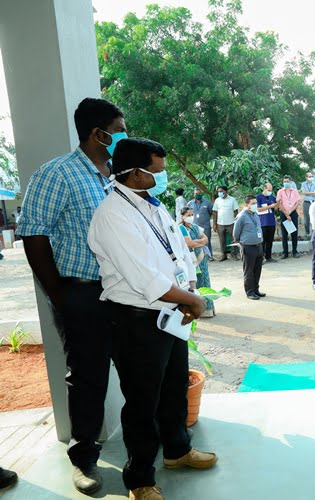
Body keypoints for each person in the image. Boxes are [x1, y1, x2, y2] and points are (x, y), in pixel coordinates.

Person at [88, 138, 217, 500]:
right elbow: (143, 277)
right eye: (156, 172)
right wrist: (191, 298)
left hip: (169, 312)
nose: (162, 177)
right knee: (143, 401)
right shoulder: (113, 214)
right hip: (136, 320)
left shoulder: (152, 205)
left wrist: (189, 288)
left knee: (174, 386)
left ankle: (177, 451)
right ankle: (140, 479)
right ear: (133, 173)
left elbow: (174, 252)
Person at [17, 97, 127, 494]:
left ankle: (145, 447)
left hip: (125, 293)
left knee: (134, 369)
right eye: (119, 128)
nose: (123, 134)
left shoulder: (115, 175)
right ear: (99, 133)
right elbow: (33, 232)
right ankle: (84, 460)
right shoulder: (58, 174)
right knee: (88, 379)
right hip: (81, 293)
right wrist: (59, 294)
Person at [178, 207, 215, 318]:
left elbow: (206, 239)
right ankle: (199, 311)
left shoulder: (194, 227)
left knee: (205, 281)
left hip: (201, 258)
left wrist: (197, 242)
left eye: (192, 214)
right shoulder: (181, 228)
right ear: (182, 216)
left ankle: (209, 309)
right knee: (195, 284)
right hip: (191, 261)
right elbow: (189, 244)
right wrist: (200, 242)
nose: (191, 217)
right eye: (188, 215)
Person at [234, 195, 266, 300]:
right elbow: (236, 232)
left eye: (255, 203)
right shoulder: (242, 216)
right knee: (249, 270)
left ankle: (256, 289)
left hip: (258, 245)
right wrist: (240, 242)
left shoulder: (256, 214)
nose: (255, 205)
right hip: (248, 246)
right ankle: (250, 292)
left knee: (257, 269)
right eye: (252, 204)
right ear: (246, 205)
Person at [212, 185, 239, 261]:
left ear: (226, 191)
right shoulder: (217, 200)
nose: (219, 193)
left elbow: (236, 211)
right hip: (220, 223)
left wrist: (237, 222)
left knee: (233, 239)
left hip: (231, 223)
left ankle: (234, 254)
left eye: (221, 191)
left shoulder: (232, 200)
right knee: (221, 239)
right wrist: (214, 224)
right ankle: (223, 255)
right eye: (218, 192)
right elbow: (215, 212)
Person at [276, 175, 301, 259]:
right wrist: (286, 214)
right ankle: (285, 252)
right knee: (284, 234)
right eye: (284, 182)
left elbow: (297, 202)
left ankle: (295, 251)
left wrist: (290, 212)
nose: (286, 183)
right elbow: (279, 203)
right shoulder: (280, 192)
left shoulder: (294, 191)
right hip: (283, 213)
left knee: (294, 233)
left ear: (291, 182)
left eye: (287, 181)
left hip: (293, 213)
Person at [187, 189, 214, 260]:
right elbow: (187, 213)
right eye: (196, 194)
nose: (197, 195)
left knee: (207, 240)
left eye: (199, 193)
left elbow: (211, 212)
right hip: (194, 226)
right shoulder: (190, 203)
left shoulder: (207, 202)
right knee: (196, 241)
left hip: (205, 225)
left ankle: (209, 256)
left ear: (201, 194)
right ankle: (199, 256)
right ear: (193, 194)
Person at [256, 182, 278, 263]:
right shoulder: (258, 197)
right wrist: (270, 206)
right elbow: (258, 209)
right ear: (264, 189)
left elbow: (275, 210)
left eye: (271, 190)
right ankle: (261, 258)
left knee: (270, 241)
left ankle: (269, 256)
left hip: (271, 222)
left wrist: (276, 206)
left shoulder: (272, 197)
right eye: (268, 190)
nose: (270, 191)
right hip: (263, 222)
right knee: (262, 241)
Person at [300, 173, 315, 238]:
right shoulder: (303, 184)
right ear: (306, 177)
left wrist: (308, 193)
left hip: (314, 202)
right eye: (310, 176)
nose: (311, 177)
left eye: (312, 176)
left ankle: (314, 233)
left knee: (314, 218)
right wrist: (312, 193)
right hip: (306, 202)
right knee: (306, 218)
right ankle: (307, 233)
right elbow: (303, 192)